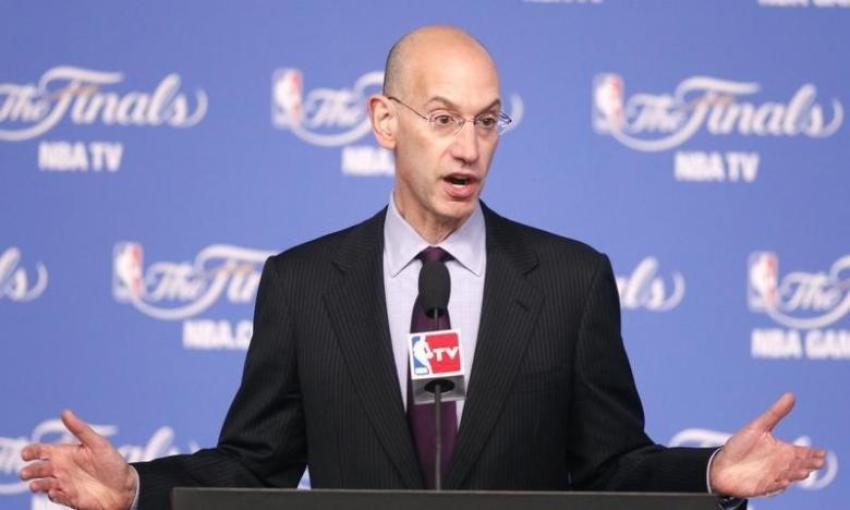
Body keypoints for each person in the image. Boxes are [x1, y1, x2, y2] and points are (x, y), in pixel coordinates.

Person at [20, 25, 825, 510]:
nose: (469, 146)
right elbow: (255, 468)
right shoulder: (301, 285)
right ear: (384, 121)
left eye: (486, 120)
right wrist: (134, 492)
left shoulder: (572, 282)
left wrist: (713, 475)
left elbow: (614, 467)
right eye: (442, 119)